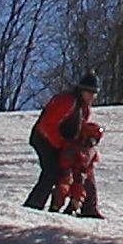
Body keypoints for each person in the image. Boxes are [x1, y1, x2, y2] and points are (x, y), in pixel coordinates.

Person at [26, 72, 103, 218]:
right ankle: (33, 206)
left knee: (82, 170)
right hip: (44, 139)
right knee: (52, 171)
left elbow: (79, 128)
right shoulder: (67, 101)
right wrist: (62, 145)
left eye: (95, 93)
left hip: (62, 142)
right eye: (90, 92)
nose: (92, 96)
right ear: (81, 91)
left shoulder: (83, 108)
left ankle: (88, 208)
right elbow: (47, 125)